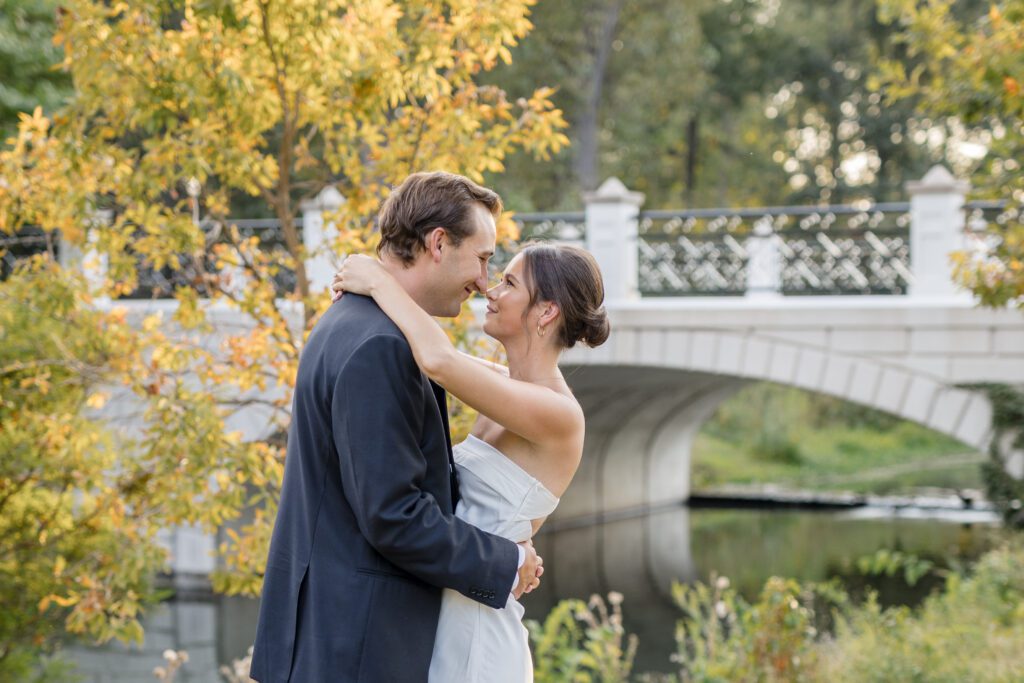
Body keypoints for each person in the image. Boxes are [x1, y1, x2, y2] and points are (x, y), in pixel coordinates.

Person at [249, 172, 544, 683]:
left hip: (333, 636)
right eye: (482, 258)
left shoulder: (353, 322)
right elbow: (394, 515)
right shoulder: (381, 346)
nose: (483, 281)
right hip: (355, 647)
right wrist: (505, 561)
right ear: (437, 243)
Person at [330, 237, 610, 682]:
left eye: (509, 283)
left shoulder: (559, 413)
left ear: (546, 312)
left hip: (478, 633)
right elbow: (422, 351)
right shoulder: (504, 384)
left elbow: (438, 360)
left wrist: (381, 283)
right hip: (445, 611)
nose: (490, 290)